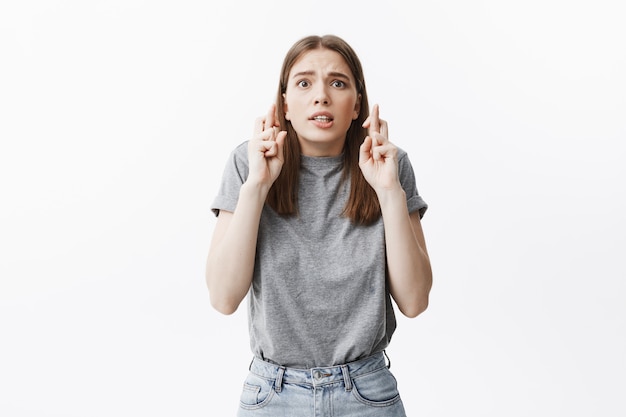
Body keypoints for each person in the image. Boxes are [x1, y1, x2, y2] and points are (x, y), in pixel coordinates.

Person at [206, 34, 432, 417]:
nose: (321, 96)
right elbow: (223, 298)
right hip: (273, 395)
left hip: (366, 393)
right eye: (304, 82)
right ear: (284, 104)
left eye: (338, 83)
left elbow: (414, 301)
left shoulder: (390, 166)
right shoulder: (248, 165)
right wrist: (257, 186)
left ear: (357, 103)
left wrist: (390, 191)